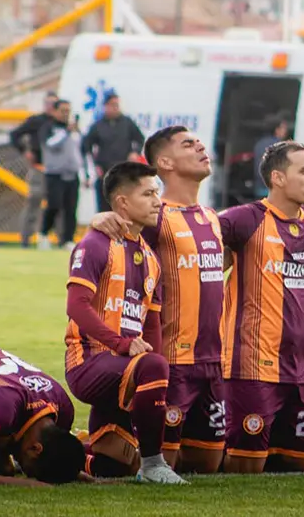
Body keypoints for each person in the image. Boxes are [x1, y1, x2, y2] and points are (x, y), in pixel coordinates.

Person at [89, 125, 227, 474]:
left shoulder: (211, 217)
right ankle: (89, 448)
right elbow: (115, 233)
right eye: (188, 143)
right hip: (173, 360)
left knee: (208, 465)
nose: (200, 146)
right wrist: (100, 218)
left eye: (199, 141)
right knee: (156, 462)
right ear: (164, 161)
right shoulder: (155, 215)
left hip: (212, 363)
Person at [217, 141, 304, 474]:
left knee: (303, 465)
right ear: (277, 178)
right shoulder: (245, 219)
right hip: (250, 368)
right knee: (245, 467)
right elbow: (195, 236)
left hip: (298, 370)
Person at [64, 161, 187, 484]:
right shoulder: (95, 244)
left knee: (115, 464)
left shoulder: (150, 257)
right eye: (148, 194)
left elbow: (152, 324)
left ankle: (65, 453)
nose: (157, 201)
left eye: (157, 193)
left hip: (126, 367)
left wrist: (154, 364)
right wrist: (126, 348)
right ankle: (154, 466)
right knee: (153, 369)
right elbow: (76, 306)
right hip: (89, 361)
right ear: (122, 203)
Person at [0, 336, 85, 486]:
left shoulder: (62, 406)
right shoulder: (2, 409)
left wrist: (72, 471)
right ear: (35, 448)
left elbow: (60, 449)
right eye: (29, 470)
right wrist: (17, 483)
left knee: (0, 464)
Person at [81, 93, 145, 213]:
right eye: (112, 105)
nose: (115, 108)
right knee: (104, 210)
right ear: (105, 106)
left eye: (117, 105)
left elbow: (139, 139)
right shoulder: (98, 125)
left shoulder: (127, 123)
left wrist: (134, 152)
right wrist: (95, 165)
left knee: (123, 208)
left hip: (124, 172)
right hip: (105, 173)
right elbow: (86, 146)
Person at [9, 91, 58, 248]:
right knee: (33, 203)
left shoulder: (60, 123)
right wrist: (25, 150)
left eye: (54, 104)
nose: (51, 107)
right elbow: (15, 134)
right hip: (39, 168)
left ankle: (56, 239)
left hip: (57, 170)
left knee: (58, 205)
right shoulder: (37, 121)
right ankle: (26, 239)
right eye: (49, 103)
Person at [37, 101, 83, 251]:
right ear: (55, 111)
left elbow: (80, 150)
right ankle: (44, 234)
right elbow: (51, 144)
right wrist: (67, 132)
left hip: (72, 173)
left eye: (68, 111)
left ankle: (67, 239)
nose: (65, 114)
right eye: (62, 110)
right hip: (54, 173)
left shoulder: (73, 130)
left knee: (71, 208)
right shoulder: (49, 127)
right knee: (54, 205)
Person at [253, 114, 290, 198]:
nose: (285, 131)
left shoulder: (259, 143)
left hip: (259, 189)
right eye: (283, 128)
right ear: (277, 130)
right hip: (273, 192)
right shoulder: (280, 146)